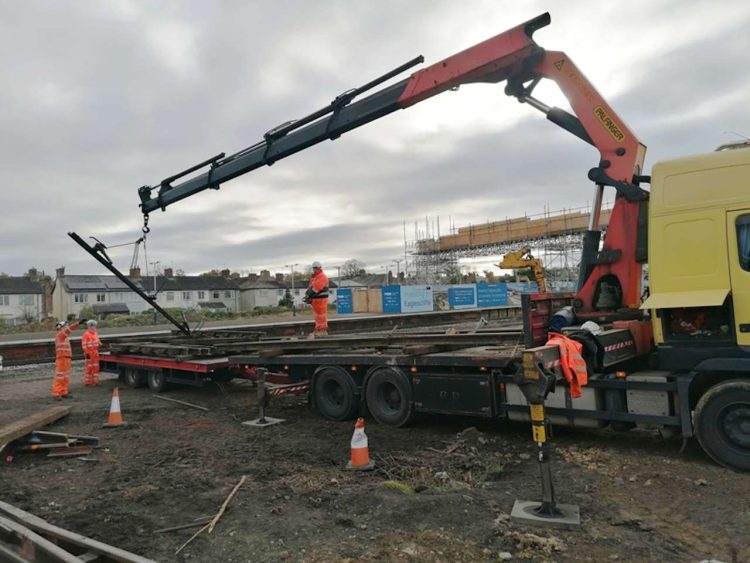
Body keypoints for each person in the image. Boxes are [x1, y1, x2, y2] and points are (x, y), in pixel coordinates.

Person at [52, 319, 82, 400]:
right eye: (65, 326)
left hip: (66, 358)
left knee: (65, 377)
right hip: (62, 358)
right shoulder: (60, 335)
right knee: (60, 377)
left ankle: (63, 392)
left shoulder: (63, 337)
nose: (67, 327)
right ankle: (56, 393)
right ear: (62, 327)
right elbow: (68, 330)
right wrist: (77, 323)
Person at [304, 261, 330, 336]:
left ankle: (322, 330)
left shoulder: (322, 277)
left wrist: (309, 295)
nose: (314, 270)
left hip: (321, 299)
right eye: (314, 268)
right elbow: (311, 287)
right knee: (318, 315)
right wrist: (307, 294)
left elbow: (316, 288)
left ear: (319, 268)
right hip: (316, 299)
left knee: (321, 314)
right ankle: (318, 329)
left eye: (316, 268)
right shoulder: (315, 278)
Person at [81, 320, 103, 386]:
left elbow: (98, 341)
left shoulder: (95, 333)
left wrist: (100, 344)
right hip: (89, 353)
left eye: (94, 326)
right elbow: (84, 345)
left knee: (96, 368)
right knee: (89, 368)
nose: (93, 328)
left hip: (95, 353)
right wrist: (87, 353)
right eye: (91, 326)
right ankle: (87, 382)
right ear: (89, 327)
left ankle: (95, 382)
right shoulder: (86, 334)